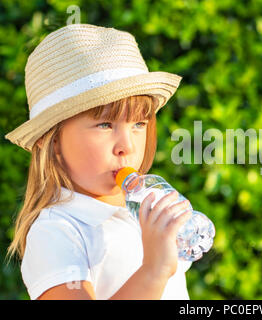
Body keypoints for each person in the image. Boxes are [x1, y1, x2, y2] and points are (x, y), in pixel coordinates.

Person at [4, 23, 193, 300]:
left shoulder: (140, 212)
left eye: (138, 124)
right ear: (52, 141)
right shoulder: (56, 231)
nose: (126, 146)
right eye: (105, 125)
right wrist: (154, 269)